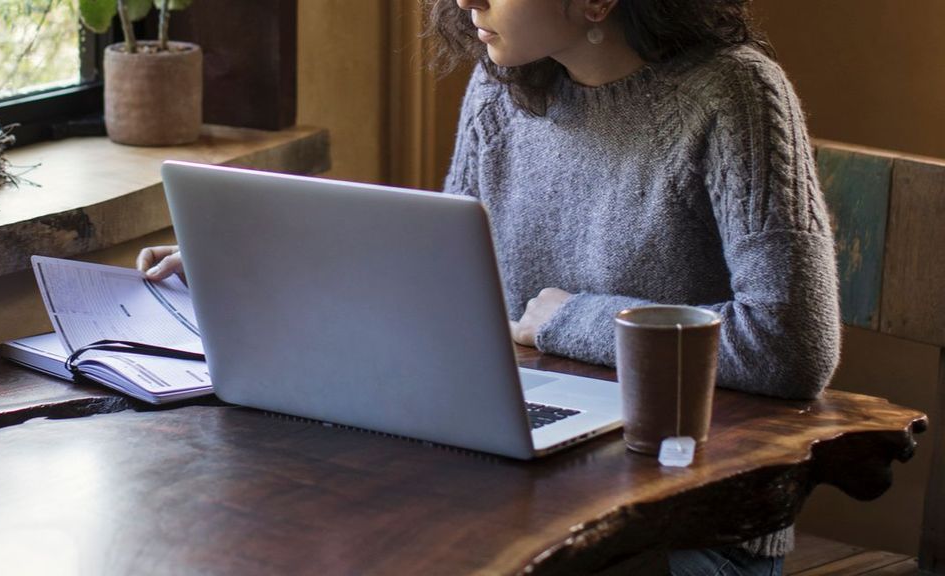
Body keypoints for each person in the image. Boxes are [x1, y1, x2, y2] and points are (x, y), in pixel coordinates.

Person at [139, 0, 841, 572]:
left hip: (691, 523)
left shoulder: (736, 94)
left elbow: (790, 346)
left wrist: (572, 320)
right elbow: (443, 288)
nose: (464, 1)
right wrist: (252, 266)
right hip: (521, 491)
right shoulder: (503, 84)